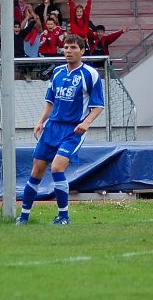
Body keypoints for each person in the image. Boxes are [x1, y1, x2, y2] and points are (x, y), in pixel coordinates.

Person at [16, 34, 104, 226]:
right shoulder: (57, 72)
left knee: (56, 167)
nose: (68, 51)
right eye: (66, 47)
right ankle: (23, 216)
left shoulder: (90, 74)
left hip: (73, 131)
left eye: (73, 47)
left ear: (82, 51)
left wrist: (87, 122)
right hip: (51, 128)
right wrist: (40, 121)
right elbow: (50, 102)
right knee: (36, 171)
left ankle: (63, 216)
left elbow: (98, 106)